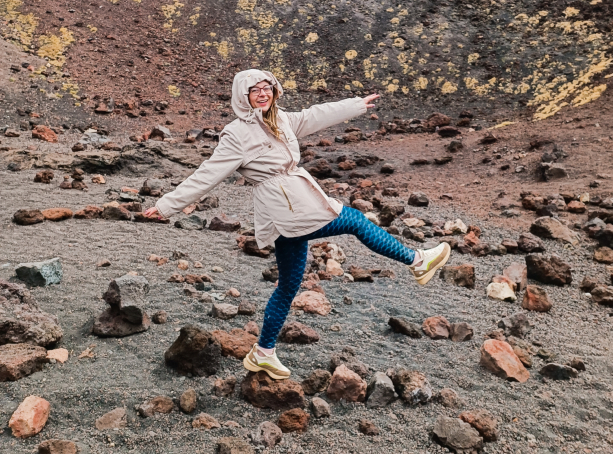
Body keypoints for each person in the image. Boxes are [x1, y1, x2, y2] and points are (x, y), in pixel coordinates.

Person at [143, 69, 451, 379]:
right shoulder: (236, 134)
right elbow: (207, 174)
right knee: (355, 220)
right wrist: (166, 205)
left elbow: (315, 114)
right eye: (255, 90)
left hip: (292, 207)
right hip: (287, 209)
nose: (262, 94)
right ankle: (417, 260)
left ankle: (263, 352)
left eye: (267, 88)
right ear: (243, 96)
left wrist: (356, 105)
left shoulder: (281, 120)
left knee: (289, 285)